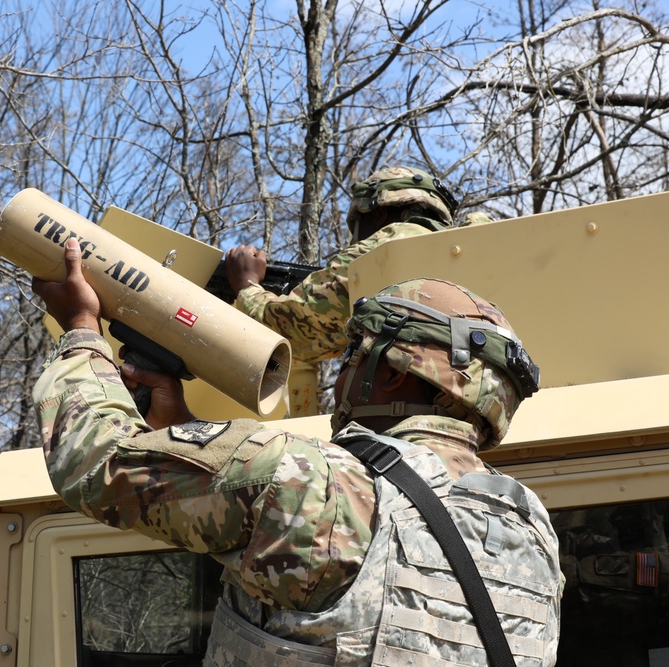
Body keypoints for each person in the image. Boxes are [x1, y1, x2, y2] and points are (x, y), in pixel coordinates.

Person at [31, 238, 563, 666]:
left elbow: (95, 460)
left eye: (355, 354)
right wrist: (185, 430)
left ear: (396, 374)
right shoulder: (532, 532)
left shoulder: (316, 481)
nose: (342, 375)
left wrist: (81, 329)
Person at [225, 166, 459, 364]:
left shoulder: (385, 248)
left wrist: (247, 285)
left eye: (357, 225)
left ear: (378, 214)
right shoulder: (463, 255)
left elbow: (293, 332)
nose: (354, 240)